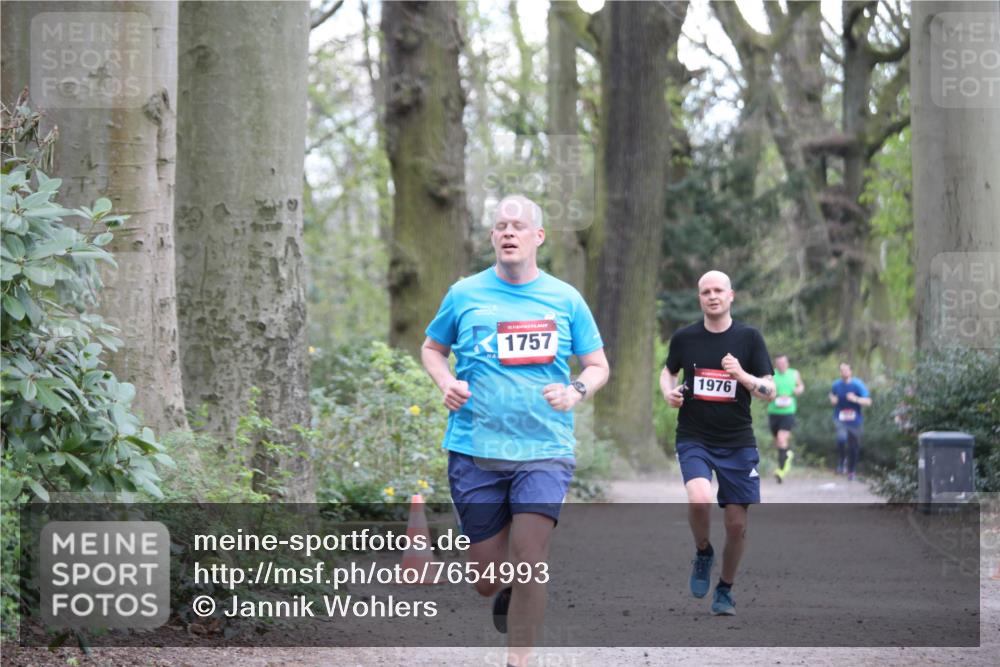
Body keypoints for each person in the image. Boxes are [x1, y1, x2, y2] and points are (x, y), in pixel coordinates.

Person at [421, 194, 609, 667]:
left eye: (518, 226)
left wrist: (576, 391)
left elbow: (597, 364)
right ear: (492, 238)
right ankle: (501, 586)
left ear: (537, 237)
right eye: (501, 226)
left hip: (544, 448)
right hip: (474, 449)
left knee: (531, 559)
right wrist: (447, 382)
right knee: (486, 579)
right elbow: (431, 348)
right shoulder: (464, 293)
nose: (508, 232)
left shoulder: (565, 299)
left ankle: (518, 660)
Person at [659, 270, 775, 616]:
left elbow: (771, 390)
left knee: (737, 524)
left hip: (738, 441)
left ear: (731, 295)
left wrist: (742, 376)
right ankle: (703, 550)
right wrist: (668, 392)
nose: (712, 296)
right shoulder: (685, 338)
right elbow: (669, 371)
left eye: (718, 290)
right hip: (694, 435)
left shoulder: (749, 339)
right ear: (700, 299)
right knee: (699, 499)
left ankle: (724, 588)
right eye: (706, 291)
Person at [828, 362, 871, 481]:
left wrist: (855, 398)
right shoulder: (836, 385)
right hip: (840, 417)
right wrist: (833, 399)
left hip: (854, 419)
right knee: (841, 439)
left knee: (853, 446)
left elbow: (868, 402)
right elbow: (832, 396)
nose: (844, 372)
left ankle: (851, 470)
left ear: (851, 371)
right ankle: (841, 461)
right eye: (841, 370)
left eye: (846, 370)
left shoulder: (858, 384)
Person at [767, 354, 804, 483]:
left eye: (783, 363)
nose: (781, 365)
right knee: (778, 442)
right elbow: (765, 389)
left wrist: (797, 390)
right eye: (779, 363)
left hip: (788, 412)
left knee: (782, 439)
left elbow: (800, 386)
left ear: (787, 363)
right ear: (776, 364)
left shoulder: (794, 373)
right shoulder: (771, 375)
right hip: (773, 411)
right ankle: (787, 456)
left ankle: (781, 471)